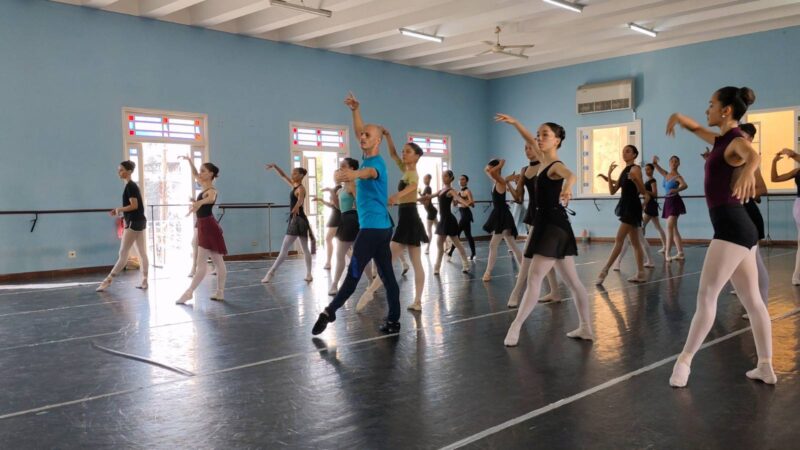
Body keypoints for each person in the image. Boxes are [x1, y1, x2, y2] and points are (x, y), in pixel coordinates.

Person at [666, 86, 775, 387]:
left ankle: (683, 362)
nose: (707, 109)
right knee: (753, 300)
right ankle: (765, 366)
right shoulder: (721, 140)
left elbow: (753, 154)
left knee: (707, 295)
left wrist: (747, 171)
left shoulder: (735, 142)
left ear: (726, 110)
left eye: (711, 104)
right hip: (739, 228)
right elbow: (698, 127)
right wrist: (678, 117)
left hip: (731, 227)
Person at [495, 114, 593, 346]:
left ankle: (516, 326)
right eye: (539, 135)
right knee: (573, 282)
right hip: (546, 224)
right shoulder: (542, 160)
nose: (539, 138)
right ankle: (586, 328)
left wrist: (568, 189)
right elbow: (528, 137)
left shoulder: (556, 166)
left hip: (553, 227)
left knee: (535, 276)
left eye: (545, 135)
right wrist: (516, 123)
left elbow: (572, 175)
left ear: (557, 140)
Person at [312, 92, 401, 335]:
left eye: (367, 136)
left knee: (354, 273)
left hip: (373, 229)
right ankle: (394, 320)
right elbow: (361, 131)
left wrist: (353, 175)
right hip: (380, 228)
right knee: (386, 275)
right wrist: (355, 110)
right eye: (361, 135)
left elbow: (369, 173)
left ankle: (329, 312)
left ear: (378, 141)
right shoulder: (365, 156)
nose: (362, 137)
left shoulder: (376, 164)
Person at [356, 129, 429, 312]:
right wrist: (388, 137)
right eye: (404, 151)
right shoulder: (405, 170)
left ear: (417, 156)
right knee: (409, 261)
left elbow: (413, 186)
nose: (403, 154)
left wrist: (396, 196)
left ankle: (370, 292)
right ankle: (416, 301)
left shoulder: (413, 174)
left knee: (390, 260)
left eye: (408, 152)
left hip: (409, 217)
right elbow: (393, 154)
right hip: (406, 216)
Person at [507, 144, 560, 307]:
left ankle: (516, 293)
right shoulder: (524, 170)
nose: (527, 151)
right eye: (525, 148)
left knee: (528, 254)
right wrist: (508, 183)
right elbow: (518, 197)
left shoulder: (548, 167)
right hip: (533, 215)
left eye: (530, 148)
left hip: (547, 216)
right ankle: (555, 292)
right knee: (542, 254)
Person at [595, 145, 651, 284]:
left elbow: (643, 191)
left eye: (628, 151)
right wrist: (608, 174)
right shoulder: (624, 171)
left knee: (619, 238)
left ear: (634, 155)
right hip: (626, 205)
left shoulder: (635, 169)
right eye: (623, 151)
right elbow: (613, 191)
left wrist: (636, 179)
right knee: (635, 243)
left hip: (632, 206)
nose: (624, 153)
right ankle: (641, 273)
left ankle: (604, 270)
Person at [176, 159, 227, 303]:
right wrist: (189, 161)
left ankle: (189, 292)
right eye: (201, 170)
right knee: (215, 261)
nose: (200, 173)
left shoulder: (211, 190)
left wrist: (199, 202)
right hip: (204, 225)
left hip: (208, 226)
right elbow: (194, 174)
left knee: (207, 262)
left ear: (211, 174)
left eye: (203, 171)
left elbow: (211, 199)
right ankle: (219, 292)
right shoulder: (204, 186)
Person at [96, 161, 149, 292]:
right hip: (139, 222)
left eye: (121, 170)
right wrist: (120, 211)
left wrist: (119, 209)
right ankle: (144, 280)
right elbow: (134, 206)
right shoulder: (131, 186)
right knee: (142, 253)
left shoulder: (130, 186)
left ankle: (108, 280)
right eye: (119, 170)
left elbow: (134, 205)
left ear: (129, 171)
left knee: (123, 254)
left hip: (134, 223)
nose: (119, 172)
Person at [261, 163, 314, 283]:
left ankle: (271, 273)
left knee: (285, 249)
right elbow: (283, 176)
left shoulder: (301, 188)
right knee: (304, 249)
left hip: (298, 220)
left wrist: (295, 207)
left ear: (301, 175)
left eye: (295, 173)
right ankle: (309, 274)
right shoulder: (295, 185)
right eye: (293, 173)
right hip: (299, 220)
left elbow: (300, 199)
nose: (292, 175)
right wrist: (275, 166)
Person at [482, 159, 523, 282]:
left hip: (502, 216)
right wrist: (494, 163)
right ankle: (523, 271)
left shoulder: (500, 181)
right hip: (500, 215)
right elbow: (486, 170)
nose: (488, 170)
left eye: (491, 168)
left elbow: (493, 172)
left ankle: (488, 273)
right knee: (513, 246)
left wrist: (500, 165)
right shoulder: (497, 180)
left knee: (493, 245)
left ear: (496, 169)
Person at [432, 170, 472, 275]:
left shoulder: (451, 190)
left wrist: (466, 203)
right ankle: (437, 267)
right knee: (439, 244)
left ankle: (466, 264)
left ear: (450, 178)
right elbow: (429, 197)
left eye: (445, 176)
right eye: (442, 176)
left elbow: (458, 198)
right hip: (443, 220)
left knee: (457, 243)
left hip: (449, 220)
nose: (443, 177)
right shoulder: (441, 190)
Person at [770, 146, 800, 285]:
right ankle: (797, 276)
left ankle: (797, 276)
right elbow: (775, 179)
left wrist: (793, 155)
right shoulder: (797, 171)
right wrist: (774, 162)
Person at [652, 155, 688, 261]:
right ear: (669, 163)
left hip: (675, 202)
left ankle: (667, 253)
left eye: (676, 161)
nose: (673, 163)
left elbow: (685, 185)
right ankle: (680, 253)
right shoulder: (666, 174)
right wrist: (655, 162)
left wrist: (676, 190)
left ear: (678, 164)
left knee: (669, 227)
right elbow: (657, 167)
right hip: (668, 202)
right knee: (674, 228)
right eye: (672, 161)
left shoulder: (677, 176)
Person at [446, 174, 477, 261]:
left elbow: (473, 204)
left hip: (466, 215)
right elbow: (455, 204)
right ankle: (473, 254)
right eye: (459, 179)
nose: (460, 181)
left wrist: (465, 201)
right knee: (468, 236)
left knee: (456, 234)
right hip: (462, 214)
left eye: (463, 179)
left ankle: (450, 253)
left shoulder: (468, 191)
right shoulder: (458, 192)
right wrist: (453, 199)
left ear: (466, 181)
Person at [313, 185, 342, 270]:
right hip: (335, 216)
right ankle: (329, 262)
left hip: (337, 217)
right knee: (341, 243)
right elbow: (332, 205)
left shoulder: (340, 189)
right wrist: (321, 200)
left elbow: (336, 205)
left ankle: (328, 262)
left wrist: (329, 191)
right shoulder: (335, 189)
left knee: (329, 239)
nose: (335, 176)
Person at [420, 174, 438, 255]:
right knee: (439, 229)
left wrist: (420, 200)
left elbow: (426, 202)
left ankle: (427, 248)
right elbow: (425, 199)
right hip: (432, 211)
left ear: (428, 179)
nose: (424, 180)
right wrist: (421, 195)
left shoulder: (428, 188)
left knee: (430, 232)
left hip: (431, 212)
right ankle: (447, 244)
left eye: (425, 178)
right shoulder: (426, 188)